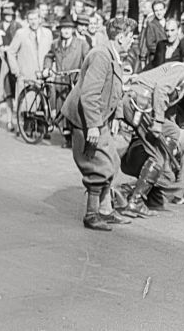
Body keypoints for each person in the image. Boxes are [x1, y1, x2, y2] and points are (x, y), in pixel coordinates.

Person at [116, 47, 184, 217]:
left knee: (171, 135)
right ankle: (134, 201)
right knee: (158, 157)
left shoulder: (174, 68)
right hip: (141, 103)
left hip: (137, 102)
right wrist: (159, 121)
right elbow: (161, 89)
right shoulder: (182, 70)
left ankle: (133, 195)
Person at [61, 17, 137, 231]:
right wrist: (93, 125)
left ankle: (105, 210)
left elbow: (116, 90)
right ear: (121, 37)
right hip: (85, 119)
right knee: (98, 166)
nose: (132, 41)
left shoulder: (114, 55)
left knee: (112, 160)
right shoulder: (101, 56)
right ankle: (91, 214)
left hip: (98, 118)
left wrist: (116, 117)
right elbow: (90, 94)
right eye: (131, 37)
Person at [43, 16, 90, 148]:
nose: (66, 31)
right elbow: (49, 56)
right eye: (64, 28)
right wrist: (47, 68)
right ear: (60, 30)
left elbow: (89, 59)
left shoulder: (81, 44)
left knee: (75, 108)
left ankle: (76, 136)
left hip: (75, 81)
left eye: (69, 28)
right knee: (61, 106)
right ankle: (66, 136)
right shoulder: (55, 44)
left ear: (73, 30)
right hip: (60, 81)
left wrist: (84, 72)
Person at [7, 9, 53, 109]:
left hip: (43, 76)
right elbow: (10, 52)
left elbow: (51, 53)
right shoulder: (21, 33)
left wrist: (50, 70)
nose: (33, 22)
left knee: (44, 108)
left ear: (40, 19)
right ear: (27, 20)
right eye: (30, 19)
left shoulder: (47, 33)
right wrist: (16, 71)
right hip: (27, 76)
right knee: (28, 109)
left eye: (35, 19)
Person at [139, 0, 167, 68]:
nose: (159, 13)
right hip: (157, 57)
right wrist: (165, 49)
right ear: (154, 12)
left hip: (169, 58)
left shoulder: (169, 23)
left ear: (164, 10)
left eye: (160, 10)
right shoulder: (151, 25)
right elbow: (150, 44)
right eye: (156, 10)